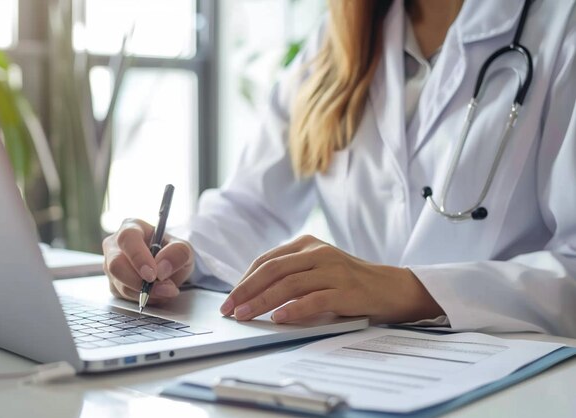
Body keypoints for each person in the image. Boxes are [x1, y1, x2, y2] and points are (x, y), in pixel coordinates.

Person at [103, 0, 576, 337]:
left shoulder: (561, 27)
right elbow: (251, 208)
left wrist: (409, 290)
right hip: (364, 365)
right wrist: (173, 256)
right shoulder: (335, 42)